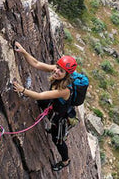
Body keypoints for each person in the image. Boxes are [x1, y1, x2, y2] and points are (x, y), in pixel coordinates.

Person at [11, 42, 76, 171]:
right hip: (54, 106)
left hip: (60, 117)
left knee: (58, 140)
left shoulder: (65, 90)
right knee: (41, 103)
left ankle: (65, 160)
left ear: (67, 75)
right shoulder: (59, 70)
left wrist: (22, 90)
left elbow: (40, 95)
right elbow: (37, 64)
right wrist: (24, 51)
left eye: (61, 71)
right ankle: (51, 127)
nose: (56, 71)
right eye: (57, 67)